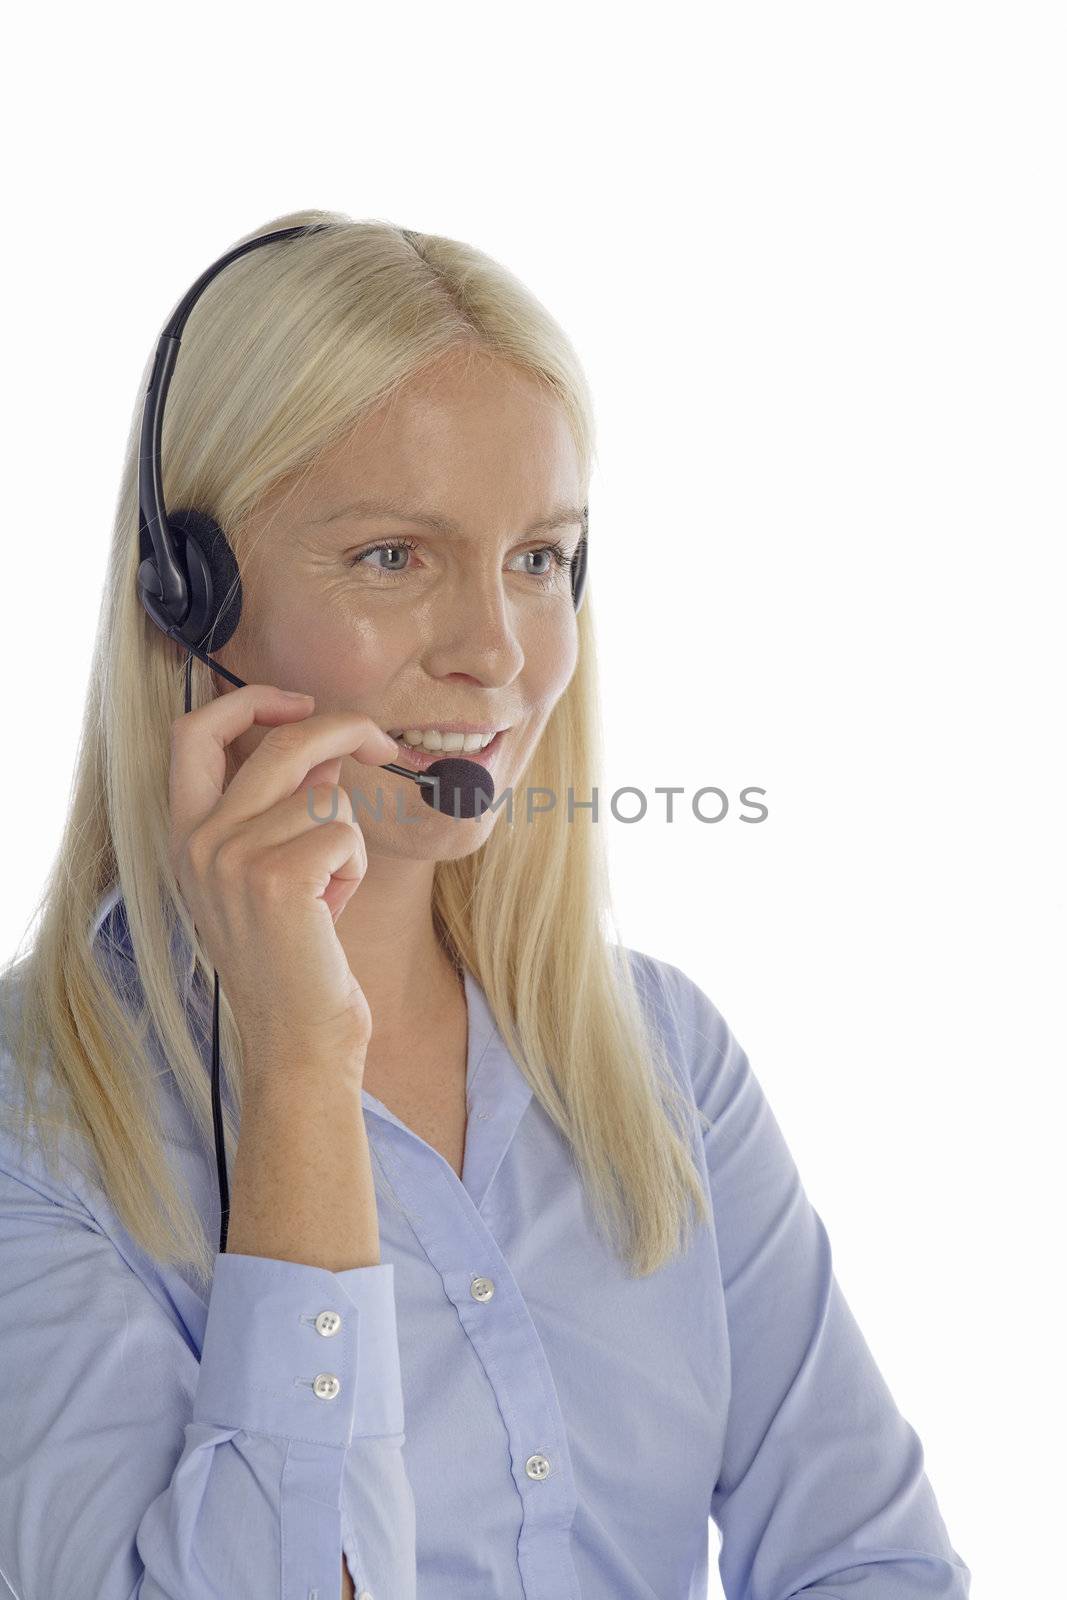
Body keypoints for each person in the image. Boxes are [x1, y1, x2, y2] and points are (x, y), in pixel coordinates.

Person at [0, 210, 970, 1600]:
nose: (497, 656)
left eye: (539, 559)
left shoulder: (661, 1056)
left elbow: (875, 1564)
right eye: (395, 556)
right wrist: (294, 1079)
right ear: (188, 596)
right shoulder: (36, 1120)